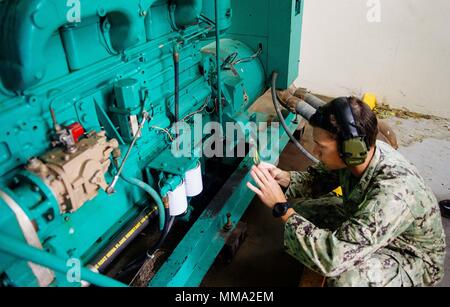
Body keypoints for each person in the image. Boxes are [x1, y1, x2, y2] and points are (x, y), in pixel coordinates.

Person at [247, 96, 446, 287]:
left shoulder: (393, 192)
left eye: (320, 146)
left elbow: (333, 259)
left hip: (407, 255)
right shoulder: (357, 156)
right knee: (303, 211)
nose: (315, 152)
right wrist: (284, 178)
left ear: (349, 149)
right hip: (370, 222)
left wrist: (282, 208)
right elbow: (317, 178)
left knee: (346, 280)